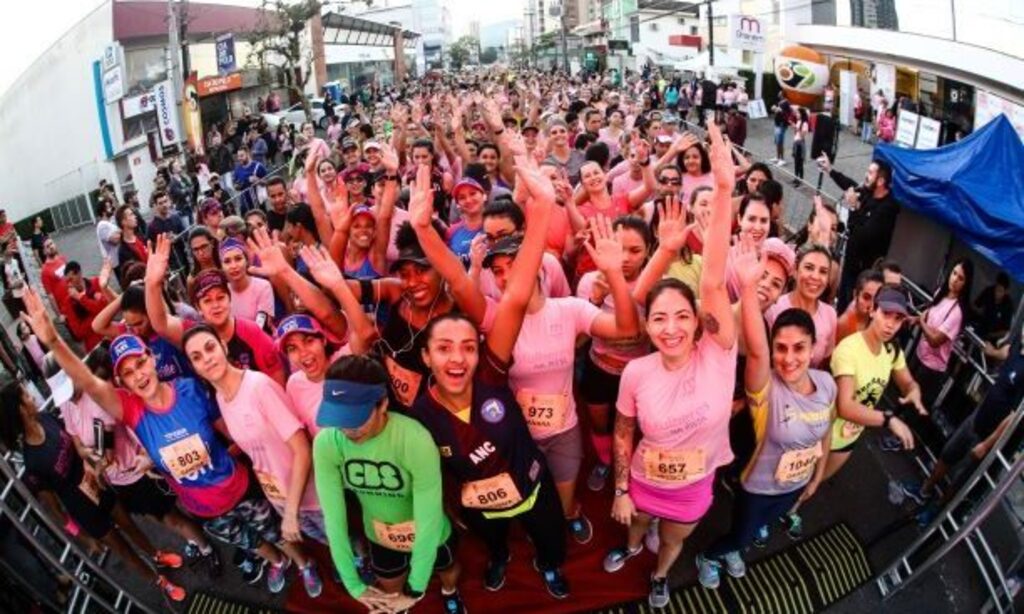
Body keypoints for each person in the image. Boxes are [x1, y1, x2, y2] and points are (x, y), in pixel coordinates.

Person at [408, 159, 573, 599]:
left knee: (551, 539)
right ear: (425, 357)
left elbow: (516, 294)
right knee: (494, 542)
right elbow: (434, 468)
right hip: (479, 500)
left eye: (467, 345)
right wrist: (422, 230)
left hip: (532, 485)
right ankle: (500, 557)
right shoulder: (420, 410)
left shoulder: (491, 371)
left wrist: (543, 207)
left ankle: (548, 565)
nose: (458, 358)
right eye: (443, 348)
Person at [602, 122, 738, 608]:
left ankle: (660, 574)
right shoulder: (637, 372)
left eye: (682, 316)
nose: (672, 327)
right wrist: (621, 489)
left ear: (699, 323)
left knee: (675, 539)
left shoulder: (718, 356)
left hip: (694, 487)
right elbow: (622, 431)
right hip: (644, 479)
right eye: (659, 318)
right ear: (649, 328)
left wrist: (723, 191)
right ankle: (634, 547)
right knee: (637, 525)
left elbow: (714, 283)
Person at [697, 245, 835, 588]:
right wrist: (747, 286)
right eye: (781, 349)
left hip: (794, 485)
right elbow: (757, 350)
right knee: (742, 532)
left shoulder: (826, 383)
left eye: (800, 348)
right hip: (758, 483)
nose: (789, 358)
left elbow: (826, 430)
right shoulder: (767, 388)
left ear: (814, 348)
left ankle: (734, 547)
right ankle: (711, 555)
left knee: (762, 525)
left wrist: (816, 477)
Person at [0, 379, 188, 602]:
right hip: (83, 509)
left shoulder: (47, 419)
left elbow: (77, 442)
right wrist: (81, 536)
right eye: (27, 396)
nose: (33, 398)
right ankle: (160, 583)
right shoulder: (32, 461)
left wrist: (97, 457)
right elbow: (53, 507)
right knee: (123, 550)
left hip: (98, 484)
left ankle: (156, 555)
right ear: (21, 409)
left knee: (129, 525)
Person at [313, 355, 466, 614]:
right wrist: (353, 585)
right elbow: (334, 519)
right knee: (391, 591)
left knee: (447, 570)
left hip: (429, 531)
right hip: (380, 534)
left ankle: (449, 592)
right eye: (339, 418)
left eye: (356, 418)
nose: (347, 429)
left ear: (383, 403)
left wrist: (416, 588)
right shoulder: (327, 443)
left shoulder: (415, 439)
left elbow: (428, 517)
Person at [182, 324, 324, 598]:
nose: (207, 358)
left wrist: (292, 510)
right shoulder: (222, 398)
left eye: (210, 348)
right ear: (193, 367)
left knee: (344, 542)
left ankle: (361, 564)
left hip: (310, 494)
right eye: (197, 356)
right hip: (279, 495)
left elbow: (302, 449)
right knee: (321, 541)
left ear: (224, 347)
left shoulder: (258, 386)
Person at [58, 350, 220, 574]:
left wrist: (96, 462)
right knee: (164, 517)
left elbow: (108, 453)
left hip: (138, 472)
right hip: (120, 480)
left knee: (171, 518)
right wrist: (87, 455)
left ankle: (206, 548)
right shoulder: (66, 404)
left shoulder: (99, 401)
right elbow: (75, 437)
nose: (68, 397)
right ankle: (198, 539)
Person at [901, 327, 1024, 525]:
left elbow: (1014, 416)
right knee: (948, 453)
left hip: (988, 434)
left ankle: (936, 511)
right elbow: (1002, 352)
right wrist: (989, 349)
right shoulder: (1017, 349)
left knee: (960, 478)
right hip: (977, 417)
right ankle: (924, 490)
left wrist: (987, 444)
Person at [145, 236, 287, 387]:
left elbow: (277, 380)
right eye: (207, 301)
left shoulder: (252, 333)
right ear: (198, 308)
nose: (216, 305)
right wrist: (152, 284)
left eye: (220, 298)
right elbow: (161, 324)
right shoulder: (195, 334)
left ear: (229, 299)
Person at [817, 155, 900, 312]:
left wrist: (855, 208)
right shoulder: (869, 192)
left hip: (863, 273)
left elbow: (865, 235)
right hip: (850, 264)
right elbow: (850, 185)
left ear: (881, 181)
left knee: (852, 309)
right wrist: (830, 170)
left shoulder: (888, 208)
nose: (865, 176)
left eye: (870, 173)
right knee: (842, 305)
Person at [765, 244, 837, 368]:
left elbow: (824, 364)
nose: (815, 277)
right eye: (809, 268)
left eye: (823, 271)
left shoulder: (830, 314)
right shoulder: (773, 309)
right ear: (795, 270)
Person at [59, 260, 114, 352]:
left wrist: (81, 298)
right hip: (95, 346)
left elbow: (107, 309)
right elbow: (78, 333)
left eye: (71, 279)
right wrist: (98, 312)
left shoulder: (96, 283)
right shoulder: (69, 302)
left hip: (111, 333)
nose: (69, 284)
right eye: (67, 281)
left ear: (79, 273)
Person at [836, 270, 884, 344]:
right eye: (866, 297)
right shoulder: (844, 323)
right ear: (855, 295)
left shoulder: (879, 319)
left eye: (877, 299)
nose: (872, 304)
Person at [973, 272, 1014, 344]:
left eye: (1000, 291)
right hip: (980, 328)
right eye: (996, 289)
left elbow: (1006, 332)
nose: (997, 293)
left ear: (1006, 292)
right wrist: (979, 311)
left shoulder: (1008, 305)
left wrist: (991, 335)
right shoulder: (989, 291)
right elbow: (974, 305)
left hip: (993, 339)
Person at [232, 146, 268, 215]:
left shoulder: (258, 166)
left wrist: (258, 180)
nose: (239, 158)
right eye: (238, 156)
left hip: (259, 203)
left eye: (242, 156)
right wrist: (238, 186)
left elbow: (268, 182)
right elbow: (235, 186)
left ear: (248, 154)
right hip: (245, 206)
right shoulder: (237, 169)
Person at [114, 205, 148, 271]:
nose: (135, 217)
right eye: (131, 215)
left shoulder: (141, 238)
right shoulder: (123, 251)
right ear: (123, 222)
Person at [95, 199, 121, 280]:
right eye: (108, 207)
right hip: (116, 261)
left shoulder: (110, 222)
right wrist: (122, 230)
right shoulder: (102, 225)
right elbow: (115, 240)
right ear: (103, 212)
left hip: (121, 258)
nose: (111, 208)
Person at [791, 108, 810, 184]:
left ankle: (800, 179)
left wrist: (796, 128)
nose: (796, 115)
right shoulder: (798, 121)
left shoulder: (805, 123)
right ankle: (796, 178)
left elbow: (802, 135)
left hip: (800, 144)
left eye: (798, 113)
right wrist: (794, 127)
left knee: (800, 163)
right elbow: (796, 133)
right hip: (796, 143)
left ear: (802, 114)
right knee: (796, 162)